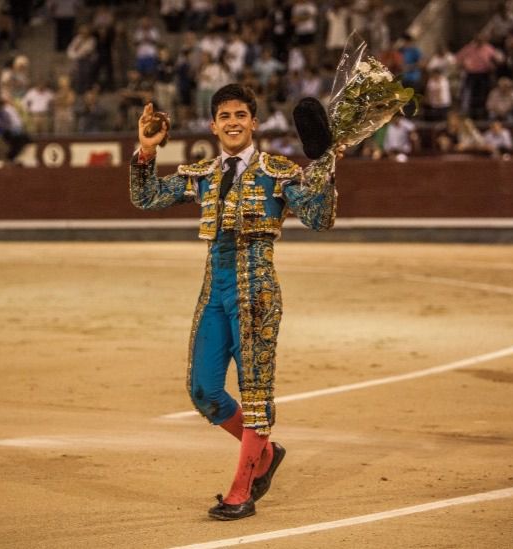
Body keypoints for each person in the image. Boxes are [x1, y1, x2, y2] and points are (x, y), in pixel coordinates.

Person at [129, 84, 343, 521]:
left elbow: (320, 219)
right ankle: (264, 454)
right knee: (203, 391)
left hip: (257, 292)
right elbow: (146, 197)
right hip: (213, 292)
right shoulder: (204, 172)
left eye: (240, 114)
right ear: (213, 124)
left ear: (254, 123)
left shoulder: (277, 171)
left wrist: (326, 169)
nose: (232, 122)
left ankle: (241, 491)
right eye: (224, 115)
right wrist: (146, 151)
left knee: (255, 393)